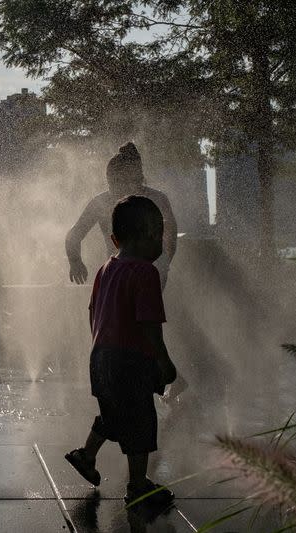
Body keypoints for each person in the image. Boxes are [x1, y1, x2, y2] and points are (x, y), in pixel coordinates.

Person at [64, 195, 177, 506]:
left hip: (101, 356)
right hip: (131, 359)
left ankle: (86, 456)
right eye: (155, 235)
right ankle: (138, 485)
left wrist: (99, 347)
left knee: (113, 413)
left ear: (114, 239)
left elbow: (92, 311)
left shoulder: (105, 269)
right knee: (141, 420)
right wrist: (163, 361)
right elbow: (150, 324)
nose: (160, 243)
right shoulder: (145, 273)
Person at [66, 142, 177, 288]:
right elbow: (74, 234)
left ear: (137, 178)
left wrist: (163, 264)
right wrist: (75, 261)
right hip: (117, 273)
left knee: (141, 307)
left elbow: (171, 234)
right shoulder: (101, 202)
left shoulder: (156, 199)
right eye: (111, 183)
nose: (115, 188)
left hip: (151, 271)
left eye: (120, 182)